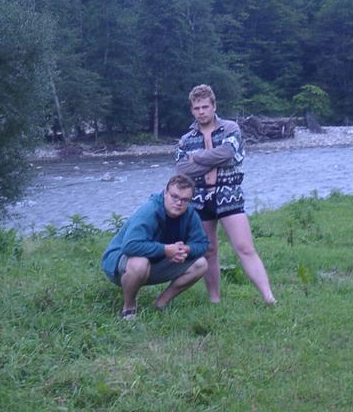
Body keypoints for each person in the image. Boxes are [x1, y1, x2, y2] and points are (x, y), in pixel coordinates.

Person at [175, 84, 276, 304]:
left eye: (205, 107)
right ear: (191, 110)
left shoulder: (230, 129)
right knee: (209, 251)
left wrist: (196, 157)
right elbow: (182, 169)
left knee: (244, 247)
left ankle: (269, 298)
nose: (201, 112)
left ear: (214, 106)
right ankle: (214, 299)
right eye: (196, 108)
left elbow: (228, 153)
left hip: (229, 194)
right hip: (200, 199)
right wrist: (213, 159)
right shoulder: (186, 139)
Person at [101, 174, 209, 319]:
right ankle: (129, 308)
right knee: (140, 263)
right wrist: (166, 250)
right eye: (174, 197)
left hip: (154, 262)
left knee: (201, 264)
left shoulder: (190, 214)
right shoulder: (149, 210)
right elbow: (130, 246)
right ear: (165, 193)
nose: (179, 203)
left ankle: (160, 304)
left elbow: (203, 244)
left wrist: (186, 249)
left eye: (185, 200)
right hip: (118, 266)